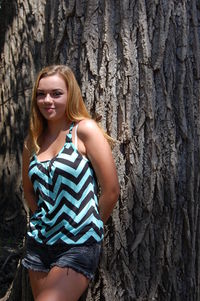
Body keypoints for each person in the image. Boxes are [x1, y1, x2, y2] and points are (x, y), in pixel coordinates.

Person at [21, 65, 120, 301]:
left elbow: (111, 190)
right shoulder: (33, 141)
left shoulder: (84, 131)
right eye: (41, 94)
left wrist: (88, 227)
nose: (47, 100)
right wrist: (45, 222)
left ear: (70, 95)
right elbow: (29, 192)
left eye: (56, 93)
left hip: (77, 244)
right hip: (39, 244)